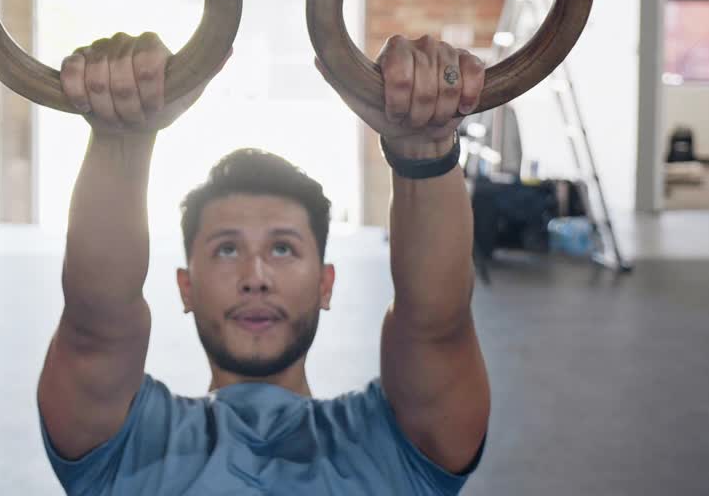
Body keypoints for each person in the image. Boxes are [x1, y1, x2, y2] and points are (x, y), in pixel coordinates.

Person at [38, 31, 490, 494]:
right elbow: (96, 324)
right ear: (186, 287)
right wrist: (122, 137)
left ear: (325, 284)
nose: (255, 279)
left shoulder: (395, 449)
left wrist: (426, 148)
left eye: (282, 249)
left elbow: (436, 323)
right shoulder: (126, 446)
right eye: (227, 250)